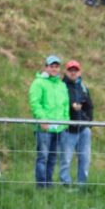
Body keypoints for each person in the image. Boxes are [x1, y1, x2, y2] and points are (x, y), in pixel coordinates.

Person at [28, 55, 69, 188]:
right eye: (52, 66)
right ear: (46, 67)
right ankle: (41, 186)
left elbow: (65, 105)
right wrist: (42, 119)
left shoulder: (62, 85)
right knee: (43, 157)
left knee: (52, 158)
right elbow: (35, 103)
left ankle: (48, 184)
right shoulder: (38, 83)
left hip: (59, 128)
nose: (54, 69)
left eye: (56, 66)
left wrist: (65, 122)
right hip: (44, 128)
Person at [60, 60, 93, 187]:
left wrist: (88, 123)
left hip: (83, 129)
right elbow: (60, 104)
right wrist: (71, 106)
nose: (73, 73)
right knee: (66, 160)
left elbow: (89, 106)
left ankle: (82, 185)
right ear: (66, 72)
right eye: (70, 70)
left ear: (79, 72)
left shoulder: (83, 87)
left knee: (85, 159)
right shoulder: (61, 86)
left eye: (75, 70)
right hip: (68, 129)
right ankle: (65, 184)